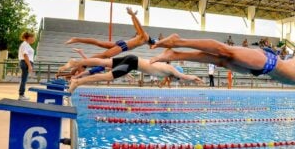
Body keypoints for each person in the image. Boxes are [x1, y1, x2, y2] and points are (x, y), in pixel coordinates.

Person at [150, 34, 295, 102]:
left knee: (220, 61)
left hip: (261, 70)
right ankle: (178, 41)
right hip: (270, 62)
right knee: (225, 52)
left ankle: (176, 55)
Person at [63, 55, 203, 93]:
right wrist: (195, 78)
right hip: (132, 64)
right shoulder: (172, 70)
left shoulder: (167, 69)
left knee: (103, 62)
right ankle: (77, 82)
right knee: (107, 76)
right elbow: (184, 77)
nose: (173, 80)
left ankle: (75, 63)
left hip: (133, 59)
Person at [64, 7, 155, 59]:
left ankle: (76, 39)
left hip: (121, 43)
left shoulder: (143, 38)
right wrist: (133, 15)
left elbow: (136, 26)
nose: (152, 48)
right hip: (123, 46)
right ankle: (86, 60)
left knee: (98, 43)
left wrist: (132, 16)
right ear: (151, 43)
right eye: (153, 46)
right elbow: (140, 26)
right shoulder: (146, 37)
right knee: (105, 55)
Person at [18, 31, 36, 101]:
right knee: (24, 79)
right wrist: (29, 65)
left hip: (25, 63)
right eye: (33, 38)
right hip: (25, 63)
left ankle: (22, 94)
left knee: (24, 79)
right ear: (29, 37)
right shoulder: (25, 44)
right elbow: (25, 55)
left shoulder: (26, 44)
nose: (34, 39)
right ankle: (21, 95)